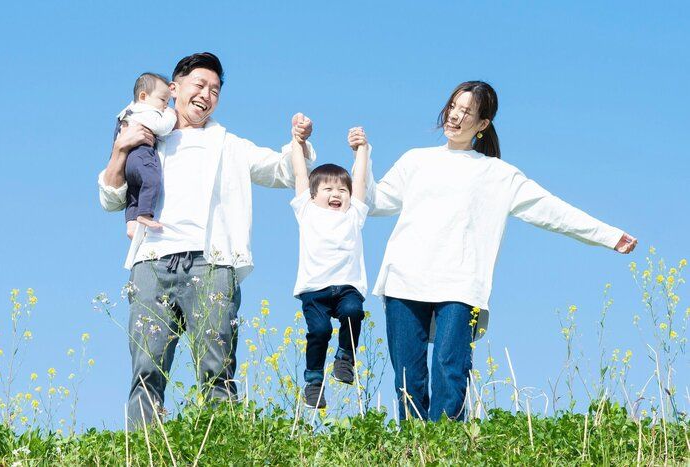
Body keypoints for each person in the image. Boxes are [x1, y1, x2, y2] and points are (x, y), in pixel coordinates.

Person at [361, 81, 637, 422]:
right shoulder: (416, 160)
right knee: (407, 378)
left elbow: (552, 210)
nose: (455, 116)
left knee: (450, 371)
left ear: (482, 124)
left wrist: (608, 235)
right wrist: (363, 156)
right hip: (403, 279)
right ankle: (412, 447)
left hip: (459, 285)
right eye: (453, 107)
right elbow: (373, 201)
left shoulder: (498, 175)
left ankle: (446, 446)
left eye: (466, 112)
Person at [98, 52, 315, 427]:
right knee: (147, 367)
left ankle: (220, 445)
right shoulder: (147, 135)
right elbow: (111, 199)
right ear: (174, 88)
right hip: (152, 261)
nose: (206, 95)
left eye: (215, 90)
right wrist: (120, 149)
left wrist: (298, 142)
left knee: (217, 367)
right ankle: (143, 446)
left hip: (211, 263)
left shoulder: (229, 144)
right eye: (199, 85)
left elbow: (281, 170)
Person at [289, 119, 369, 408]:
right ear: (313, 196)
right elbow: (301, 173)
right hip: (314, 289)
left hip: (347, 286)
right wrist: (297, 142)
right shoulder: (307, 211)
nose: (336, 194)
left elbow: (360, 180)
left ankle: (345, 358)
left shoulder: (354, 214)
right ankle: (313, 383)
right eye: (328, 189)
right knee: (320, 332)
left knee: (353, 312)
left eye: (342, 190)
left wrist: (361, 149)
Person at [114, 72, 177, 239]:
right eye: (163, 100)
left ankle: (131, 224)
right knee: (152, 179)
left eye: (168, 103)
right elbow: (162, 128)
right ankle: (145, 214)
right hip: (142, 155)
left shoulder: (127, 113)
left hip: (128, 162)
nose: (165, 106)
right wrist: (171, 114)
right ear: (143, 96)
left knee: (134, 192)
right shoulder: (146, 111)